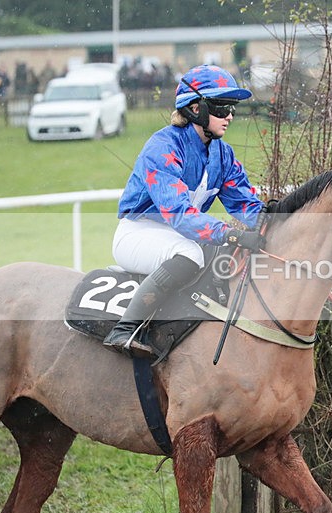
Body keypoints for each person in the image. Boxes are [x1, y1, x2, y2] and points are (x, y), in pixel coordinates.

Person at [103, 64, 264, 356]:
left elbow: (246, 205)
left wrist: (279, 221)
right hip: (137, 233)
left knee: (221, 258)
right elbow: (178, 213)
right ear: (194, 108)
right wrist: (228, 233)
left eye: (232, 108)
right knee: (191, 254)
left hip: (180, 236)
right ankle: (124, 330)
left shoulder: (222, 154)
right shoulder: (163, 147)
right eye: (221, 106)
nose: (229, 115)